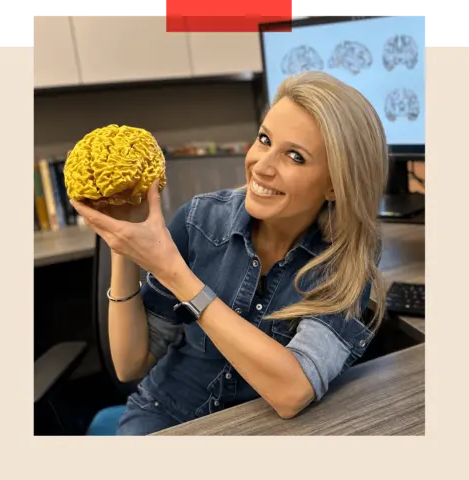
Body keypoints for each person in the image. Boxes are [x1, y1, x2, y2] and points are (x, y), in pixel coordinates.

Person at [72, 71, 389, 436]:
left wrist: (176, 273)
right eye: (264, 139)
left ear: (336, 184)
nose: (262, 165)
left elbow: (292, 392)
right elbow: (130, 365)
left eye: (295, 156)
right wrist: (122, 241)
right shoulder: (199, 220)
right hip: (164, 416)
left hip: (254, 431)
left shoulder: (344, 265)